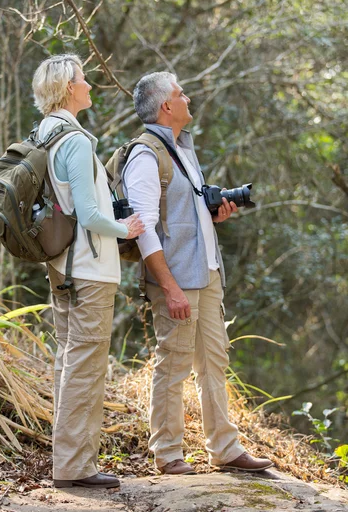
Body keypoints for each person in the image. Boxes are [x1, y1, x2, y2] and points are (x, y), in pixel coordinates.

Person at [122, 72, 273, 475]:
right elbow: (144, 229)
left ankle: (225, 448)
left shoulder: (183, 148)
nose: (187, 98)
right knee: (173, 363)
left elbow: (183, 217)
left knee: (214, 361)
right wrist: (169, 287)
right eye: (180, 93)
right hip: (176, 281)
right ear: (166, 106)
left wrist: (214, 215)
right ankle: (168, 453)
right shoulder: (145, 155)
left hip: (207, 273)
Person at [32, 54, 144, 489]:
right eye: (83, 80)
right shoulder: (75, 141)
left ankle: (68, 461)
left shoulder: (44, 133)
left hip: (61, 267)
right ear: (67, 88)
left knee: (68, 360)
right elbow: (89, 213)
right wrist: (126, 227)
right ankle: (76, 468)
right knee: (86, 365)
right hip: (89, 270)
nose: (90, 86)